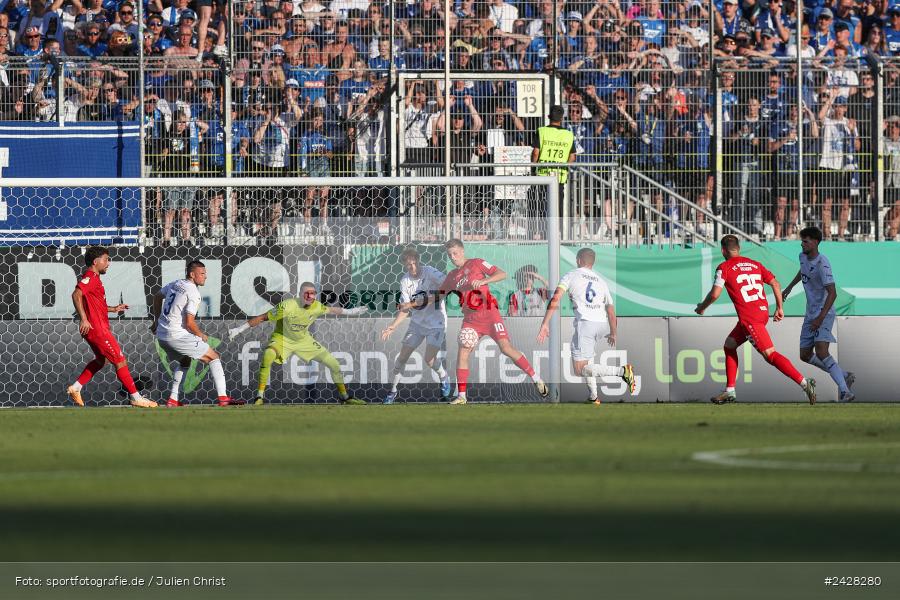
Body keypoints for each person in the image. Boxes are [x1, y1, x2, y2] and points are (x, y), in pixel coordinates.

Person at [695, 235, 817, 405]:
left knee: (770, 355)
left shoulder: (724, 267)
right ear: (739, 249)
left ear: (723, 250)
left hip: (749, 318)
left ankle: (805, 383)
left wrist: (702, 307)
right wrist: (779, 308)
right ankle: (729, 390)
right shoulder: (755, 264)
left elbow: (715, 294)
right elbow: (775, 283)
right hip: (761, 313)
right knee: (729, 345)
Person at [436, 239, 548, 405]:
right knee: (463, 354)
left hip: (489, 313)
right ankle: (462, 396)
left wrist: (483, 281)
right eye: (450, 255)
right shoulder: (452, 276)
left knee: (506, 348)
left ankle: (536, 378)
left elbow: (502, 274)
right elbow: (438, 295)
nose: (453, 257)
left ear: (462, 251)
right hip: (470, 320)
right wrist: (414, 303)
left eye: (455, 253)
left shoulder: (477, 263)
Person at [227, 281, 369, 405]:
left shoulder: (317, 307)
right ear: (300, 294)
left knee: (334, 364)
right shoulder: (287, 306)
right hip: (283, 339)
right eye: (306, 293)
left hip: (303, 341)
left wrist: (351, 311)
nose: (309, 296)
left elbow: (333, 310)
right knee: (268, 355)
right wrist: (239, 329)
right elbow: (263, 317)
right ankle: (259, 396)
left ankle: (344, 397)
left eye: (312, 293)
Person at [537, 248, 636, 404]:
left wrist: (545, 323)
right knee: (587, 360)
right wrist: (613, 332)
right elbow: (611, 311)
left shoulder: (572, 274)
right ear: (592, 262)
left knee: (579, 369)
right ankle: (593, 397)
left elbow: (555, 298)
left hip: (586, 324)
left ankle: (622, 371)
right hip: (602, 324)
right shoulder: (601, 281)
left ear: (578, 260)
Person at [67, 247, 156, 408]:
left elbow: (96, 304)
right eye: (106, 259)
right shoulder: (90, 277)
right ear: (96, 262)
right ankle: (136, 397)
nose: (109, 263)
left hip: (95, 328)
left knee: (102, 360)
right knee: (120, 360)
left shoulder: (94, 279)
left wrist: (113, 309)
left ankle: (76, 387)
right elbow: (76, 294)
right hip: (97, 329)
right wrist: (84, 319)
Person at [781, 227, 856, 402]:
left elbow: (832, 293)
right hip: (810, 313)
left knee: (822, 351)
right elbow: (803, 271)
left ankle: (845, 391)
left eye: (805, 241)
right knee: (805, 354)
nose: (802, 244)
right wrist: (790, 287)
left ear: (815, 242)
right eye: (802, 241)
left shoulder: (823, 263)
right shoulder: (802, 257)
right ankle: (844, 375)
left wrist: (820, 318)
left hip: (824, 313)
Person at [152, 260, 241, 407]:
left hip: (161, 335)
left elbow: (156, 296)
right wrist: (201, 334)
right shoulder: (193, 291)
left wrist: (156, 321)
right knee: (213, 357)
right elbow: (189, 323)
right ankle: (223, 397)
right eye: (202, 273)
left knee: (185, 360)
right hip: (176, 335)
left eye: (205, 273)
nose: (205, 277)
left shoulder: (176, 283)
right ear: (192, 274)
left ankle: (173, 399)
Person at [381, 248, 452, 404]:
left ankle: (443, 376)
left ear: (418, 261)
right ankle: (393, 391)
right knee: (402, 357)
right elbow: (405, 308)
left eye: (414, 263)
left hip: (436, 323)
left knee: (429, 360)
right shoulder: (405, 281)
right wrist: (393, 326)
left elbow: (448, 285)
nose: (412, 267)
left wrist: (432, 298)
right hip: (417, 325)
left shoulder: (430, 272)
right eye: (408, 265)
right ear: (404, 265)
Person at [532, 104, 576, 218]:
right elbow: (572, 156)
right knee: (557, 205)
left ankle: (542, 233)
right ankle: (558, 232)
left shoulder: (542, 131)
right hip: (559, 175)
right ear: (562, 118)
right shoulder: (568, 134)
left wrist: (533, 166)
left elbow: (536, 152)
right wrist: (565, 166)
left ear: (548, 116)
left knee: (542, 205)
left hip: (542, 173)